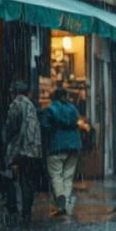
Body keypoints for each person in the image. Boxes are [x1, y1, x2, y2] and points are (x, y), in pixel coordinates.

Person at [3, 81, 42, 222]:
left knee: (11, 177)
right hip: (33, 149)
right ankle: (27, 210)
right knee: (27, 180)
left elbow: (11, 125)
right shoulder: (31, 105)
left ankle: (13, 207)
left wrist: (7, 140)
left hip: (20, 148)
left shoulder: (16, 104)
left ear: (15, 92)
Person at [41, 88, 82, 217]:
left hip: (57, 145)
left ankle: (60, 202)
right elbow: (77, 122)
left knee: (56, 175)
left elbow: (44, 126)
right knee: (68, 176)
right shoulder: (73, 109)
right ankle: (65, 201)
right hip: (73, 145)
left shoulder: (51, 109)